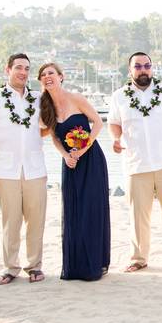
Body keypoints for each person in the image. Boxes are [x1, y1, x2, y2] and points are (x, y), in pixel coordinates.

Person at [108, 52, 162, 274]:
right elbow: (114, 123)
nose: (143, 69)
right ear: (130, 70)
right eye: (138, 66)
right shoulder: (119, 96)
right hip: (136, 163)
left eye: (147, 66)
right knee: (138, 215)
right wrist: (116, 139)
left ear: (152, 68)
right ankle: (139, 258)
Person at [0, 53, 48, 285]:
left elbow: (47, 127)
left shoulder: (39, 98)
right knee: (11, 221)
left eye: (26, 68)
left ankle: (34, 266)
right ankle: (10, 267)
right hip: (6, 170)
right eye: (18, 67)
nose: (23, 72)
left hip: (35, 169)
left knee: (36, 220)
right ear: (8, 70)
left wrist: (36, 139)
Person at [39, 62, 110, 281]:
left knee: (91, 210)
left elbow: (97, 123)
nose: (47, 76)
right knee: (74, 211)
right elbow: (54, 137)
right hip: (70, 163)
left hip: (90, 160)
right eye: (43, 75)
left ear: (61, 76)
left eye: (51, 73)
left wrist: (82, 149)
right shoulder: (45, 107)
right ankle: (75, 265)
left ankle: (95, 264)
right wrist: (66, 155)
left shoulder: (76, 99)